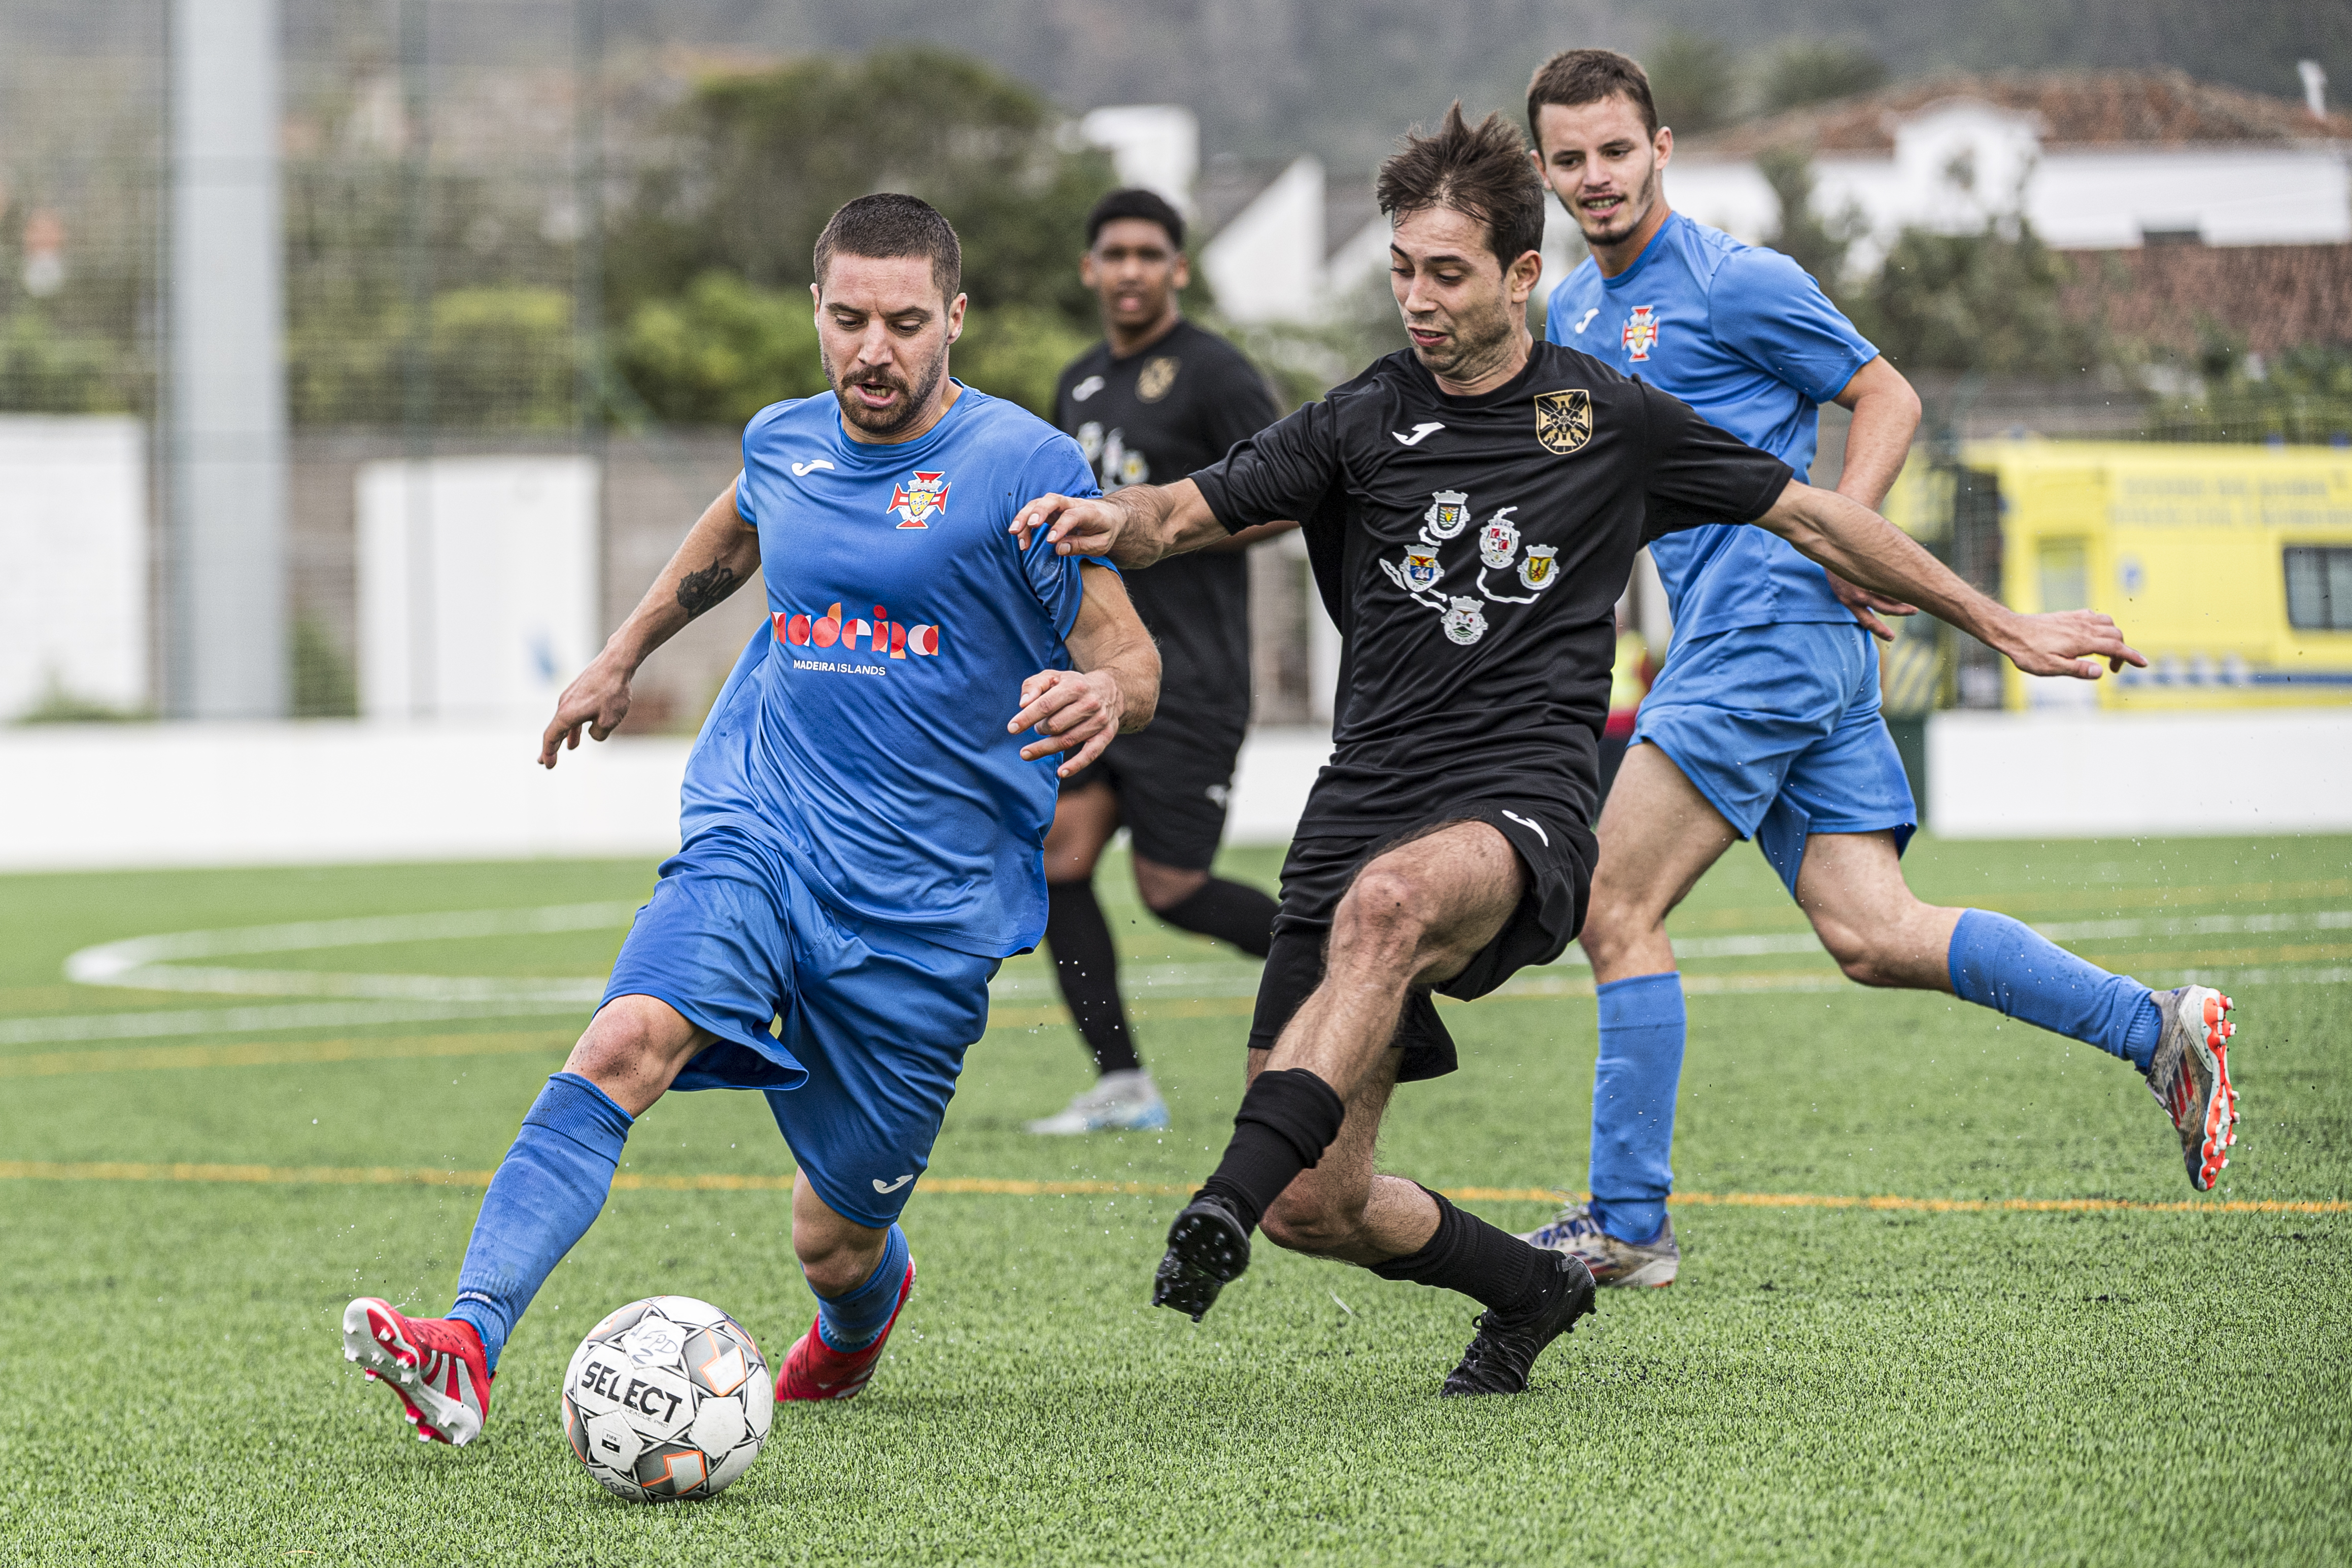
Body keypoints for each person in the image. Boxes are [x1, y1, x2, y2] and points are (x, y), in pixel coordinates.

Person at [1011, 107, 2141, 1395]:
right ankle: (1527, 1286)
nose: (1417, 299)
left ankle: (1221, 1191)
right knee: (1314, 1205)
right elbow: (1178, 512)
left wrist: (2001, 623)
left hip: (1519, 804)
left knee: (1385, 916)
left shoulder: (1611, 419)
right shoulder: (1357, 418)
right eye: (1401, 269)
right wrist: (1106, 518)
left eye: (1446, 274)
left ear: (1519, 275)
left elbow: (1816, 518)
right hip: (1361, 801)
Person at [338, 194, 1158, 1445]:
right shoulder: (786, 440)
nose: (872, 351)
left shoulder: (1020, 466)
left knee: (834, 1237)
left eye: (903, 323)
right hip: (761, 831)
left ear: (953, 317)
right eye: (848, 320)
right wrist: (621, 654)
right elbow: (733, 529)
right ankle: (468, 1340)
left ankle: (856, 1320)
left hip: (925, 908)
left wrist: (1105, 692)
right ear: (815, 311)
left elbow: (1129, 655)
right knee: (624, 1042)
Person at [1514, 48, 2239, 1292]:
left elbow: (1884, 394)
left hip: (1767, 632)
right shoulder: (1570, 314)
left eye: (1615, 150)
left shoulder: (1736, 280)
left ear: (1660, 149)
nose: (1596, 177)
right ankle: (2156, 1029)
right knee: (1874, 932)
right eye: (1569, 158)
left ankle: (1626, 1222)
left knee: (1610, 905)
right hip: (1774, 647)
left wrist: (1844, 531)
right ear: (1543, 171)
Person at [1027, 188, 1296, 1137]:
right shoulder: (1077, 385)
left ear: (1178, 269)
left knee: (1171, 890)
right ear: (1089, 269)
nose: (1131, 270)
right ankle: (1123, 1083)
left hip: (1192, 676)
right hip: (1098, 668)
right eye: (1116, 254)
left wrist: (1164, 529)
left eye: (1150, 254)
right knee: (1058, 857)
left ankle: (1350, 960)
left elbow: (1288, 493)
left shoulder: (1215, 372)